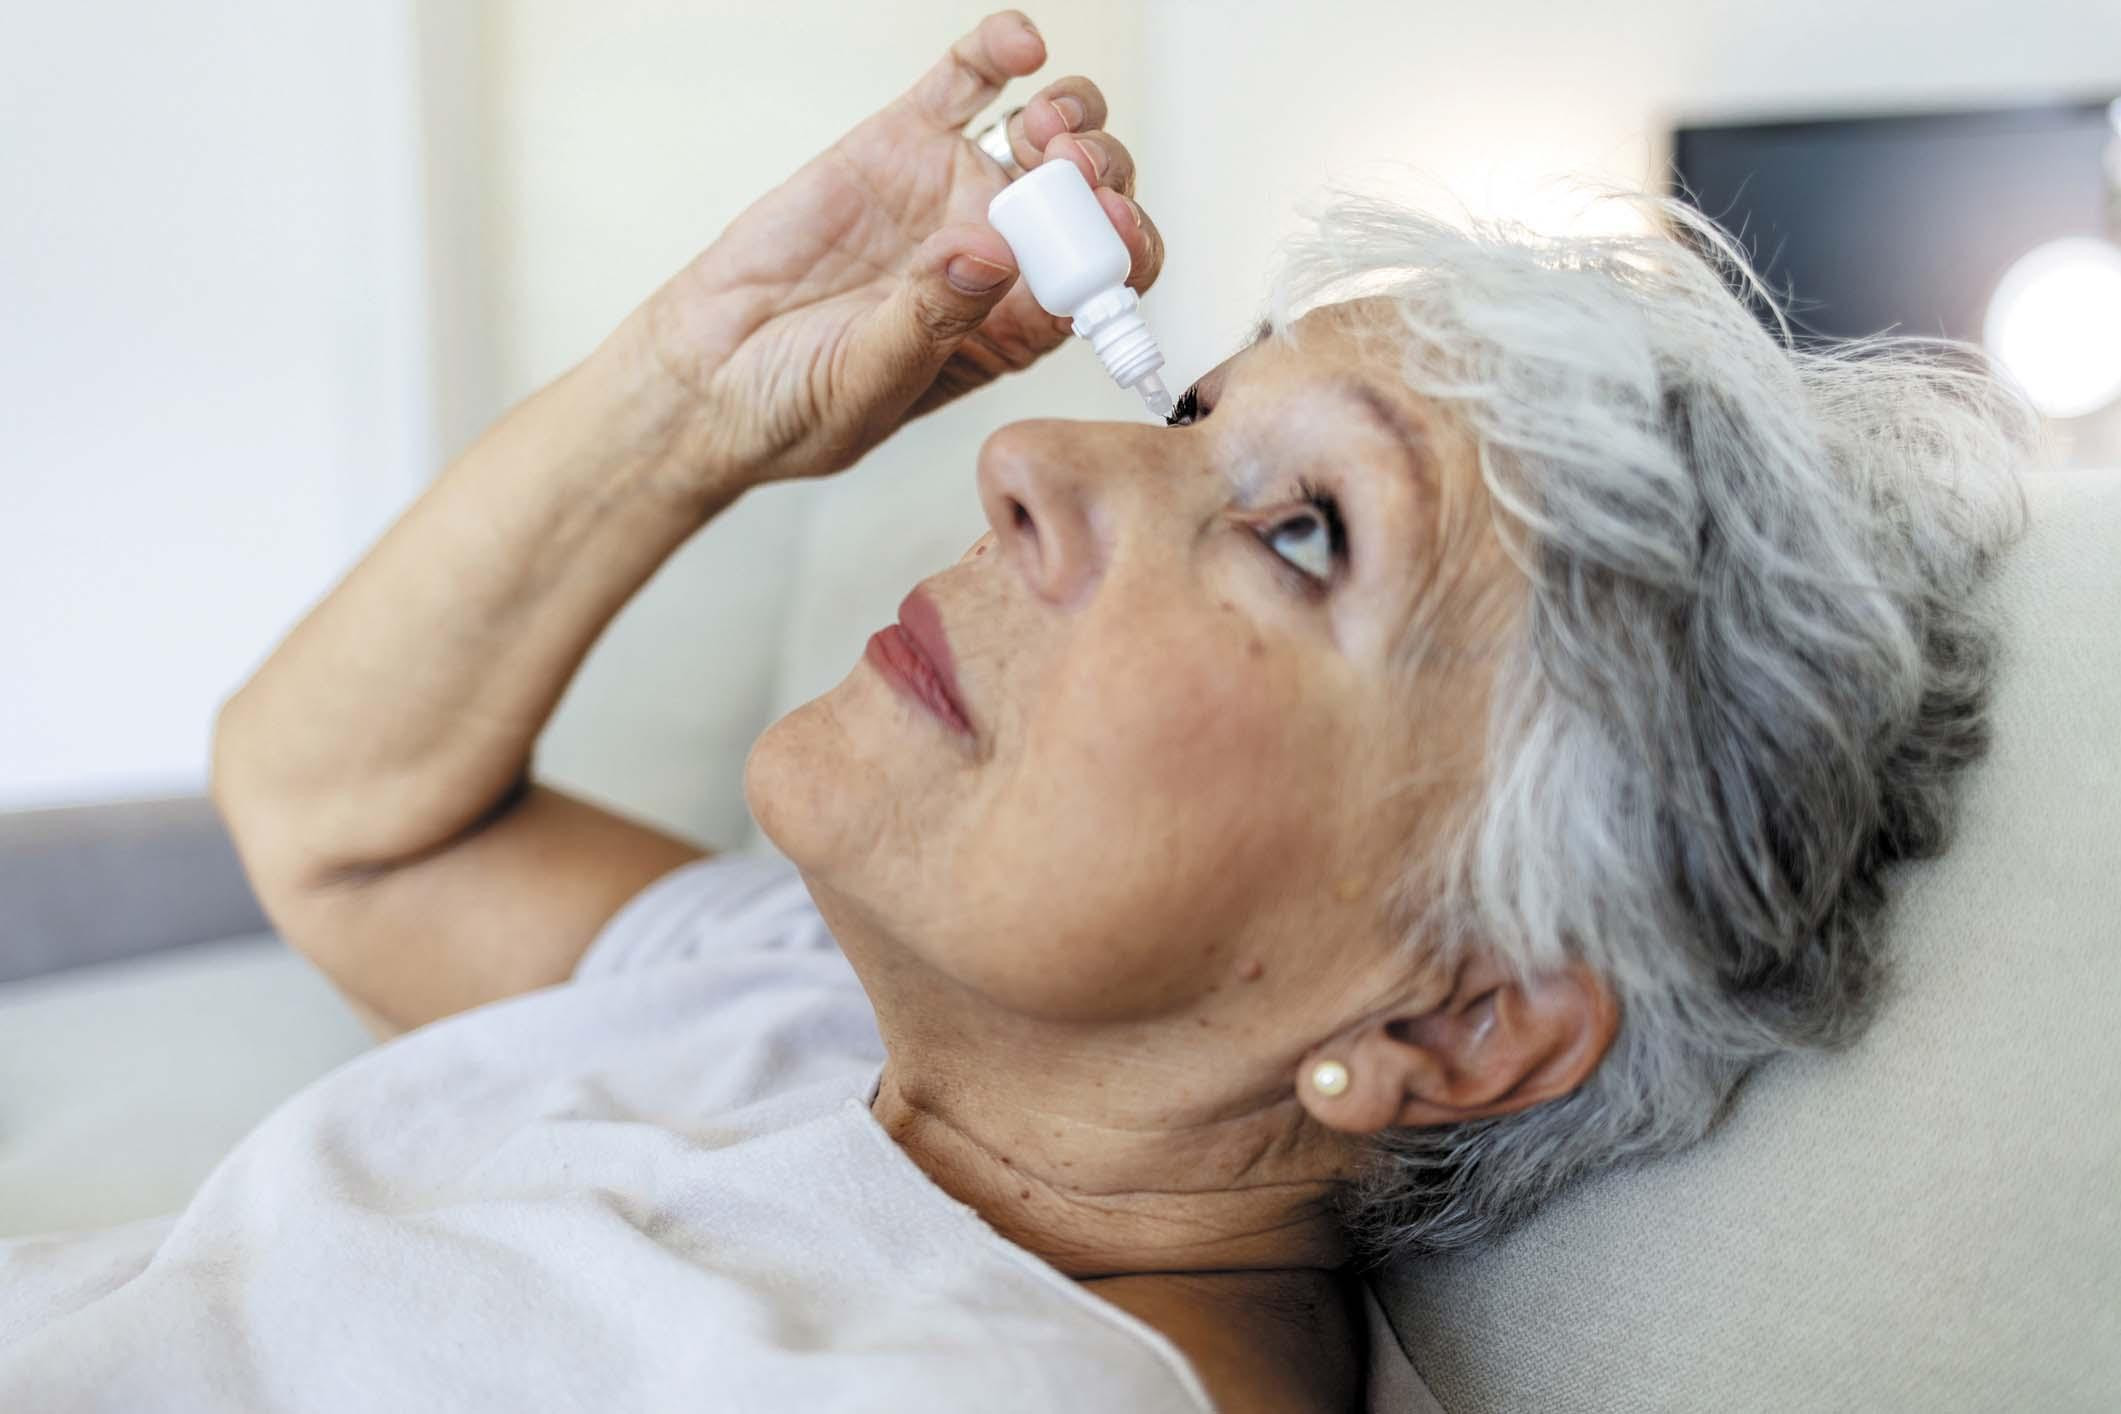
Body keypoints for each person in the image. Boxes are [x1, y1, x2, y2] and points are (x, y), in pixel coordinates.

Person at [0, 10, 2033, 1412]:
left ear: (1457, 1014)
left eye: (1302, 534)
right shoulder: (810, 1006)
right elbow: (336, 812)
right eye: (1197, 413)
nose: (1037, 462)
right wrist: (686, 401)